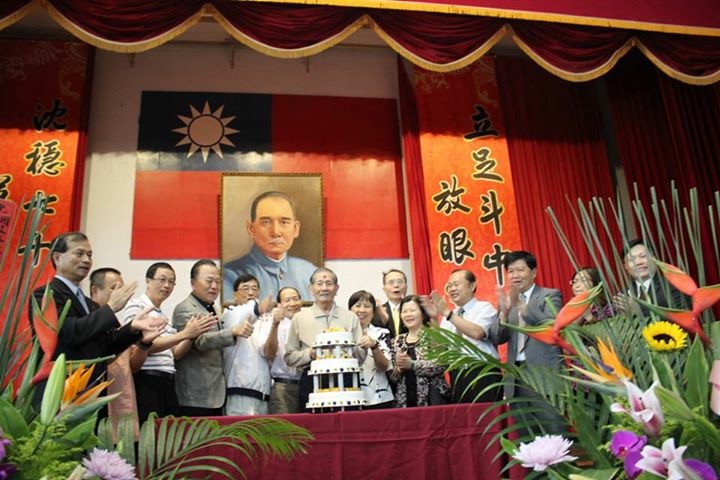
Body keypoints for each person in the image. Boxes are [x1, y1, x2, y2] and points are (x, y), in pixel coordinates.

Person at [31, 232, 164, 401]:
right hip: (60, 393)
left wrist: (133, 328)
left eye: (89, 255)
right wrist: (110, 308)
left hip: (90, 392)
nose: (86, 260)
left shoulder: (89, 303)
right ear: (57, 258)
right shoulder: (45, 295)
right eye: (79, 253)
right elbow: (68, 334)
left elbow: (105, 347)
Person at [122, 262, 217, 422]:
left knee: (168, 434)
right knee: (149, 433)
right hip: (146, 380)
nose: (167, 285)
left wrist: (192, 335)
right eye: (162, 279)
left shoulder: (163, 315)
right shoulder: (137, 306)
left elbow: (175, 353)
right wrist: (185, 333)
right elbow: (144, 345)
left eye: (171, 282)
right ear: (148, 281)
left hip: (168, 381)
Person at [490, 250, 565, 435]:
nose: (515, 275)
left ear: (534, 272)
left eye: (520, 270)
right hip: (517, 378)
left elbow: (552, 326)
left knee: (555, 433)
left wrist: (523, 307)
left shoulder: (550, 295)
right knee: (527, 437)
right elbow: (497, 338)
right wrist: (504, 313)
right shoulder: (508, 303)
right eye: (511, 271)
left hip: (545, 375)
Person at [172, 259, 254, 416]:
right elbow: (200, 341)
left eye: (218, 281)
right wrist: (233, 332)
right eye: (209, 281)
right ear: (193, 283)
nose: (214, 286)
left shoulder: (213, 308)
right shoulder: (185, 308)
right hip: (195, 395)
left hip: (216, 392)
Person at [284, 267, 365, 412]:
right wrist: (309, 354)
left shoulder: (350, 317)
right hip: (312, 379)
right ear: (311, 289)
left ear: (337, 288)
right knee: (314, 424)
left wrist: (351, 350)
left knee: (347, 422)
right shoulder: (300, 318)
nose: (324, 288)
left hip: (345, 379)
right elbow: (289, 357)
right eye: (319, 284)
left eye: (329, 283)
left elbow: (361, 355)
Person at [223, 191, 317, 303]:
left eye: (284, 222)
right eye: (266, 222)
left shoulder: (310, 272)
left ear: (295, 229)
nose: (276, 232)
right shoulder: (230, 275)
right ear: (251, 229)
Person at [426, 269, 502, 403]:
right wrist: (433, 319)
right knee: (463, 416)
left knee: (487, 414)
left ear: (472, 286)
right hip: (457, 375)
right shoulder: (449, 316)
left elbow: (477, 333)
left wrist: (447, 312)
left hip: (483, 373)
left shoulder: (484, 308)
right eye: (449, 286)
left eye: (456, 284)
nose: (452, 289)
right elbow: (439, 350)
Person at [222, 274, 274, 416]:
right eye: (245, 289)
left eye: (255, 289)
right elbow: (246, 313)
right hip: (239, 393)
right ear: (235, 294)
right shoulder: (230, 313)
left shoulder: (265, 319)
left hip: (263, 394)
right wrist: (258, 308)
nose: (251, 293)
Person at [389, 295, 449, 408]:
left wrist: (412, 365)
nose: (408, 314)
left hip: (433, 400)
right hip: (404, 403)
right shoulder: (396, 341)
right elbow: (393, 377)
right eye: (404, 311)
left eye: (412, 310)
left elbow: (441, 364)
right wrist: (399, 369)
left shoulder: (433, 336)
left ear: (422, 313)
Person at [613, 239, 688, 317]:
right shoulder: (624, 294)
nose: (638, 262)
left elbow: (682, 318)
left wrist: (639, 311)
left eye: (643, 256)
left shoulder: (674, 286)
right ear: (626, 266)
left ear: (654, 258)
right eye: (631, 259)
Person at [259, 286, 303, 414]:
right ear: (279, 305)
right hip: (283, 387)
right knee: (285, 426)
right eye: (287, 300)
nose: (292, 304)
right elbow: (269, 353)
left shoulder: (307, 322)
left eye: (296, 299)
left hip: (307, 385)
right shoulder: (271, 323)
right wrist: (275, 325)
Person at [348, 290, 394, 409]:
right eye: (357, 306)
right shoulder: (343, 334)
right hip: (349, 397)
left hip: (379, 397)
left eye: (367, 306)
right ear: (350, 311)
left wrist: (374, 347)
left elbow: (384, 367)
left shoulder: (382, 333)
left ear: (373, 312)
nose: (362, 310)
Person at [372, 269, 408, 339]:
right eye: (391, 282)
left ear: (406, 287)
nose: (396, 285)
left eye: (400, 282)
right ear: (384, 289)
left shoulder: (414, 310)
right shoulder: (377, 312)